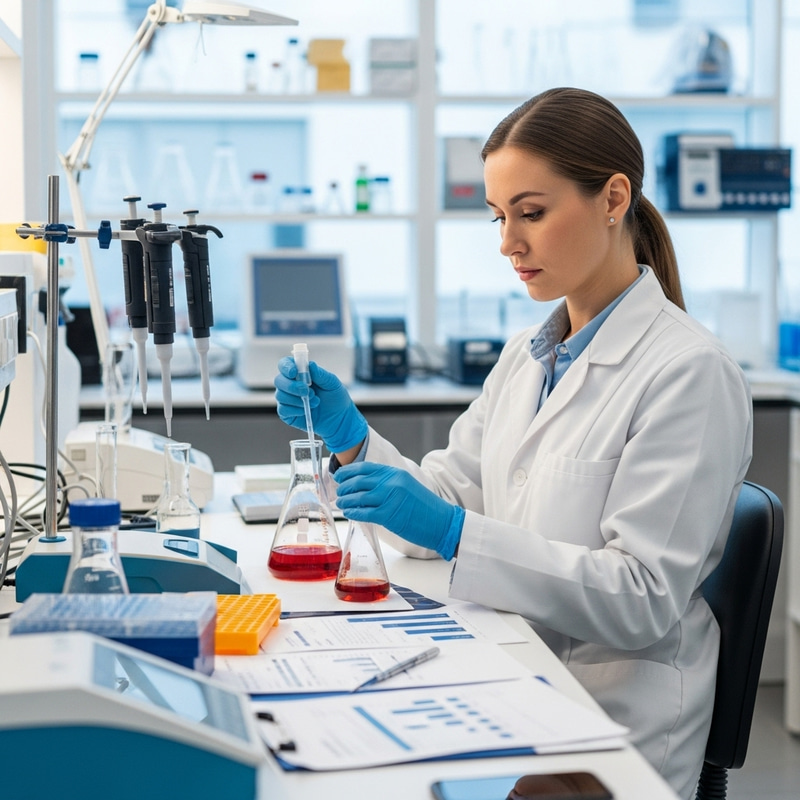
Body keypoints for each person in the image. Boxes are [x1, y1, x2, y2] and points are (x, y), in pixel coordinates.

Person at [274, 87, 753, 799]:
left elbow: (642, 597)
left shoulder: (689, 373)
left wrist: (455, 533)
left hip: (608, 727)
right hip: (508, 683)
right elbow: (443, 501)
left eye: (531, 213)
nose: (508, 243)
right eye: (500, 217)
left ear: (613, 198)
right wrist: (352, 440)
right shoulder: (527, 356)